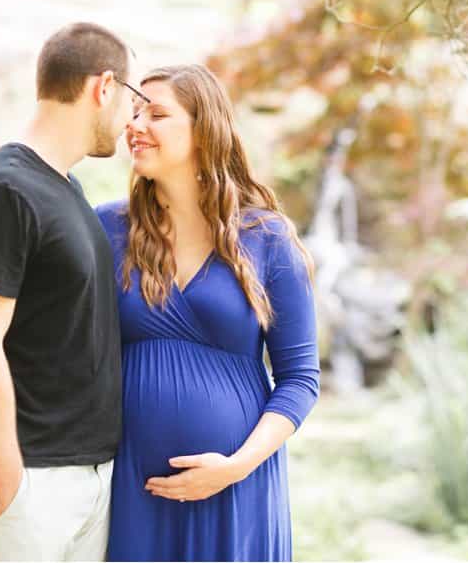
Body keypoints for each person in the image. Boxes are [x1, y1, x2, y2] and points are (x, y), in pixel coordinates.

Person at [96, 64, 320, 561]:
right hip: (134, 484)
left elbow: (301, 378)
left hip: (237, 486)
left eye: (156, 114)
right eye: (134, 113)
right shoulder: (107, 229)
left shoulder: (267, 236)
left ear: (204, 130)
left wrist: (235, 467)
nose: (135, 125)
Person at [0, 22, 138, 561]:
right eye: (131, 99)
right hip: (28, 483)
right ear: (104, 87)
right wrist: (11, 488)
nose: (129, 120)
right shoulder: (6, 190)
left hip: (82, 479)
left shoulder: (65, 186)